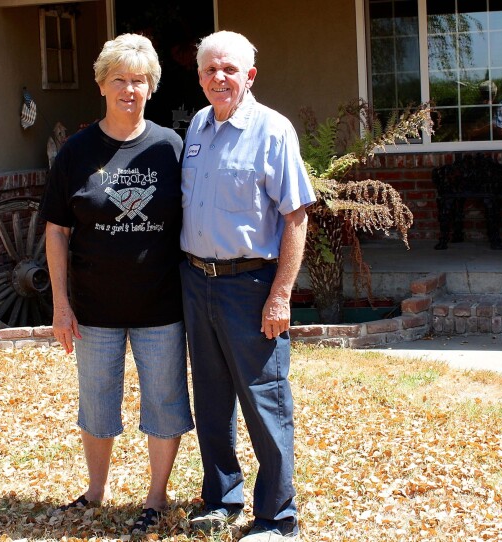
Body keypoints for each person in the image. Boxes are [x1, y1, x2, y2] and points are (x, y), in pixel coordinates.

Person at [40, 33, 192, 536]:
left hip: (160, 306)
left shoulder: (172, 149)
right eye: (120, 79)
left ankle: (155, 496)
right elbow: (57, 232)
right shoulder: (76, 152)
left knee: (166, 403)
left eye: (140, 80)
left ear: (152, 87)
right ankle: (96, 490)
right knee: (97, 404)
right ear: (102, 84)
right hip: (93, 310)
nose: (130, 88)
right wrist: (61, 306)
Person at [180, 31, 315, 541]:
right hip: (197, 281)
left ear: (249, 75)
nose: (220, 78)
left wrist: (280, 294)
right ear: (199, 77)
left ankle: (278, 518)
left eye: (230, 69)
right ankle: (221, 498)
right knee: (211, 398)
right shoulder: (197, 126)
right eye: (211, 69)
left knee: (265, 400)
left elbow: (296, 217)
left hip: (250, 285)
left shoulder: (273, 131)